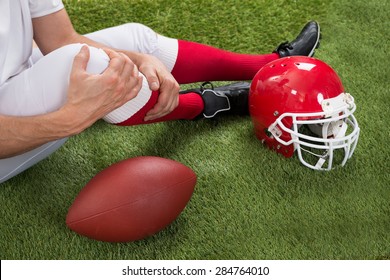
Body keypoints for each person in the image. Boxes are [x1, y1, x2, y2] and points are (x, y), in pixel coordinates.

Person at [0, 0, 320, 183]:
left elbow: (60, 39)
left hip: (14, 77)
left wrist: (139, 60)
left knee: (137, 41)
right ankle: (209, 104)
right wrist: (68, 120)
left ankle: (273, 63)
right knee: (91, 63)